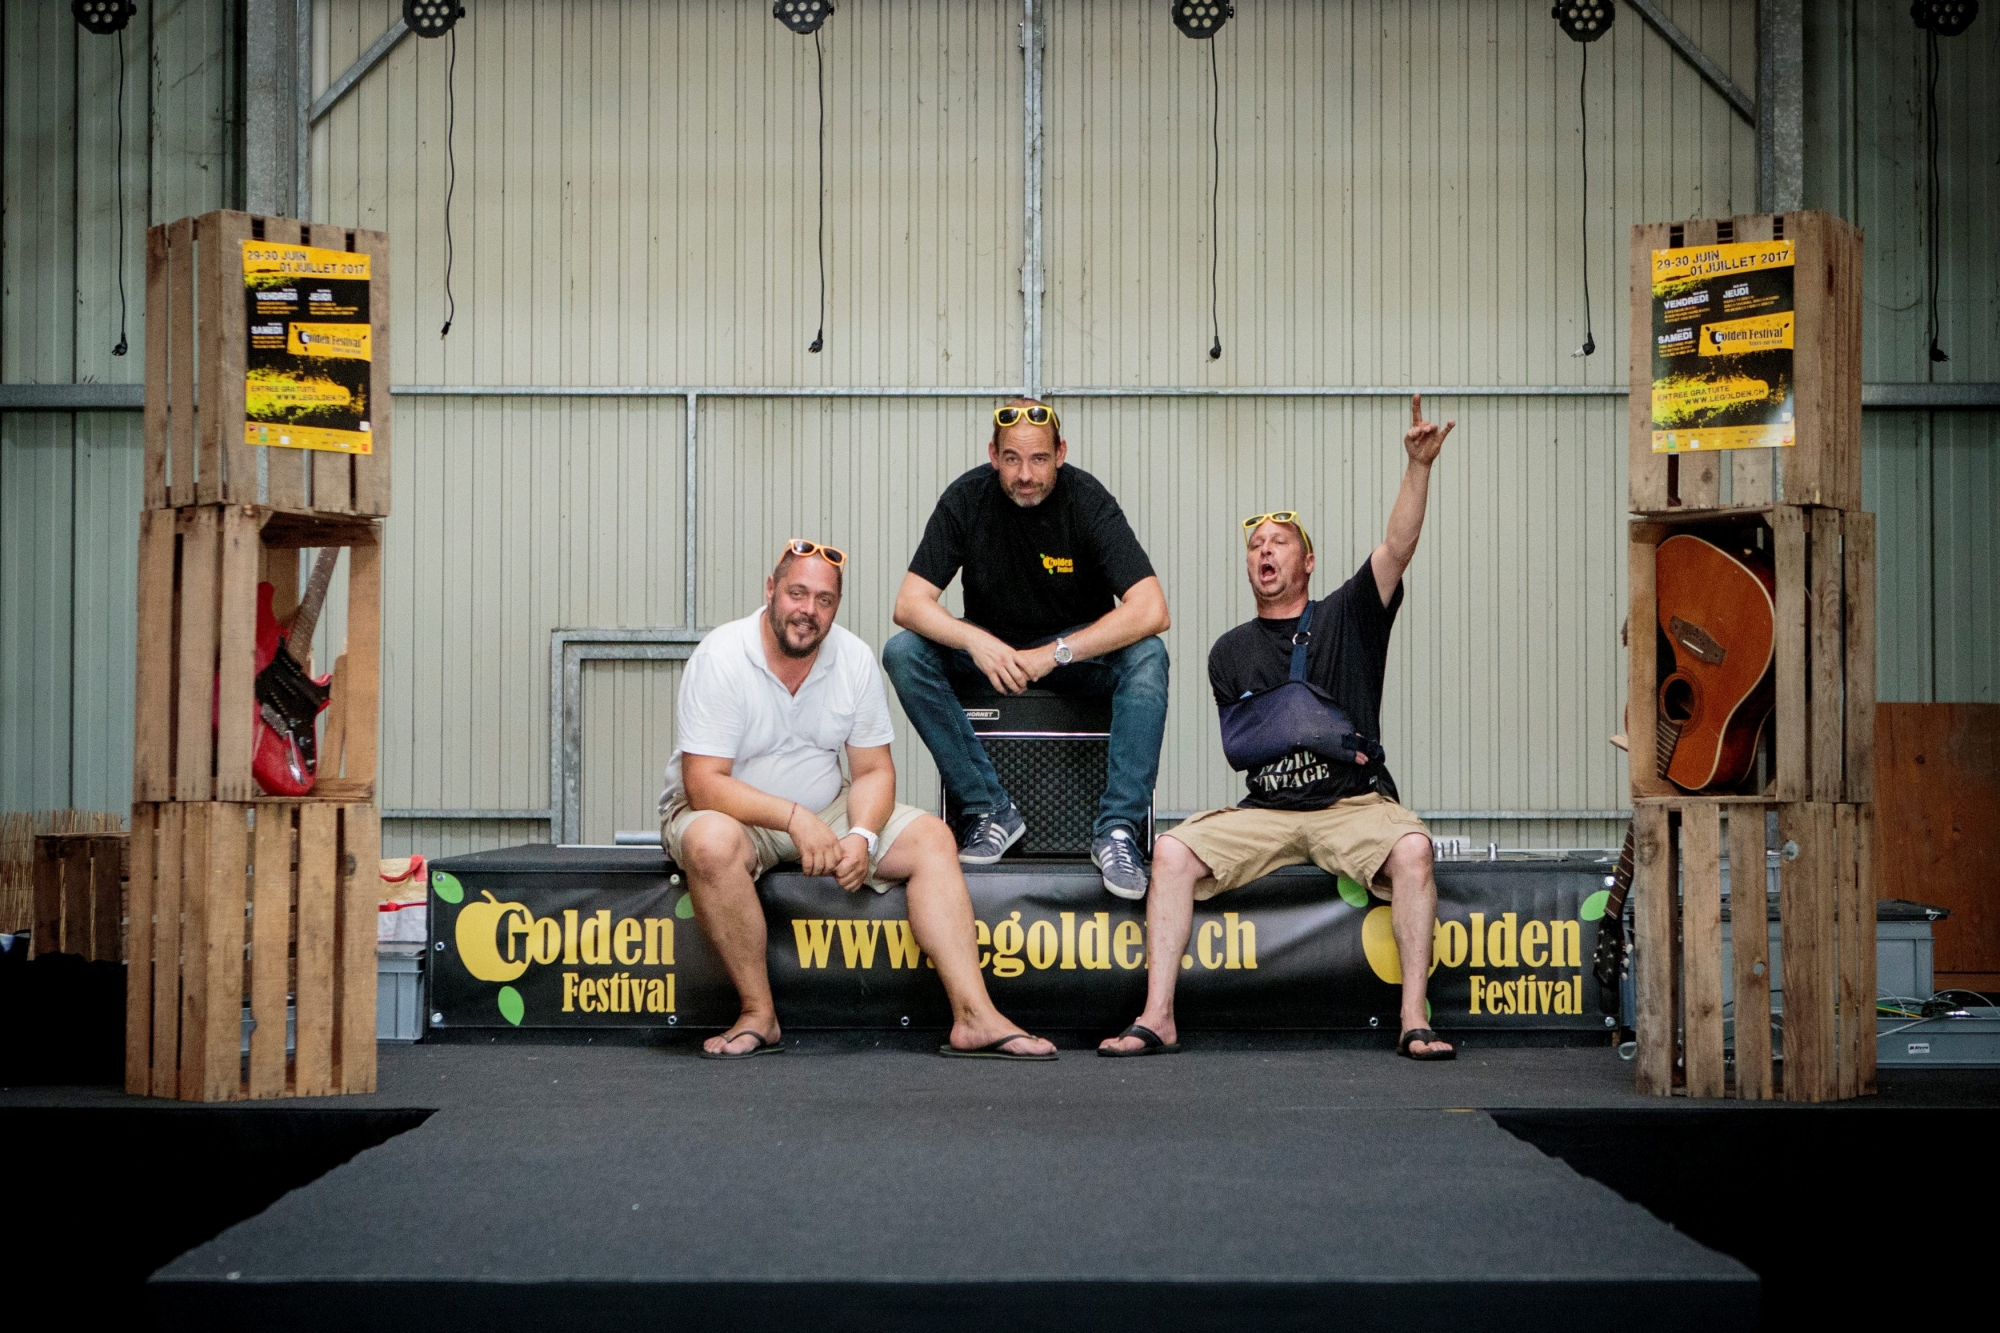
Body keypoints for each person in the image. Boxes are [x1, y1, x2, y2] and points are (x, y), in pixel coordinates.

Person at [1099, 395, 1458, 1062]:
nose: (1266, 552)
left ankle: (1414, 1016)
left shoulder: (1350, 614)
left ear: (1308, 562)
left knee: (1412, 849)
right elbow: (1245, 750)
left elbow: (1398, 546)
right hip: (1267, 810)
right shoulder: (1227, 653)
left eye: (1280, 542)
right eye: (1256, 546)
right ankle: (1157, 1015)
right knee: (1172, 853)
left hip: (1351, 803)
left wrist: (1417, 467)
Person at [660, 539, 1057, 1061]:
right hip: (729, 811)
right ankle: (759, 1014)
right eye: (797, 593)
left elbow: (872, 770)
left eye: (824, 600)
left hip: (822, 805)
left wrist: (862, 835)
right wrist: (794, 819)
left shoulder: (852, 657)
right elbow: (704, 783)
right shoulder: (723, 655)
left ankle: (974, 1017)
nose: (809, 611)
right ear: (771, 590)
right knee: (711, 843)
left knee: (932, 838)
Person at [883, 399, 1171, 900]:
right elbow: (910, 604)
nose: (1025, 474)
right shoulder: (966, 498)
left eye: (1038, 459)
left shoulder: (1087, 500)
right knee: (904, 652)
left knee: (1149, 657)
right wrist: (975, 640)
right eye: (1012, 459)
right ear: (992, 455)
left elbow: (1151, 610)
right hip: (993, 658)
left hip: (1073, 659)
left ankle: (1118, 831)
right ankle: (989, 808)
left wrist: (1057, 652)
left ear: (1060, 452)